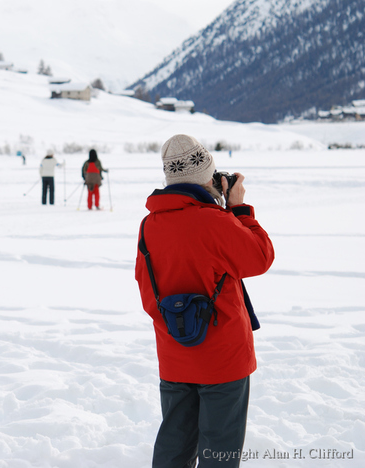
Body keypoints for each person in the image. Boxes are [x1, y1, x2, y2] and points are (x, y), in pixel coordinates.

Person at [135, 134, 275, 468]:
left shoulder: (149, 225)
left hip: (174, 355)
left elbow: (146, 290)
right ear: (206, 177)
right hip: (224, 359)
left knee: (174, 447)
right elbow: (260, 257)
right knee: (219, 451)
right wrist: (238, 209)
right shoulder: (215, 221)